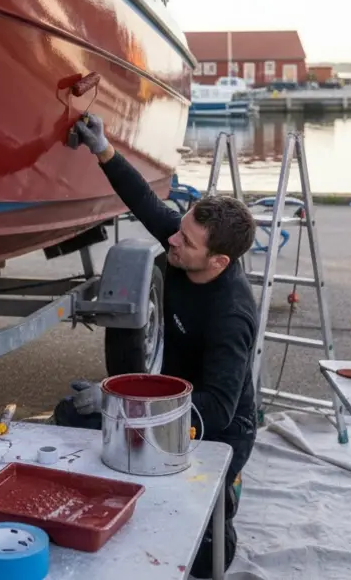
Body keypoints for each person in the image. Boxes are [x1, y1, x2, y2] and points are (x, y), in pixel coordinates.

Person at [57, 112, 260, 578]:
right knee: (71, 416)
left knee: (201, 555)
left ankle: (225, 499)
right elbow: (145, 201)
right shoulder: (185, 246)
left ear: (218, 261)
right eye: (179, 228)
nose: (171, 238)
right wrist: (102, 148)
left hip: (219, 428)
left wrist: (122, 406)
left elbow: (219, 409)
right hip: (167, 401)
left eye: (184, 239)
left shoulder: (231, 314)